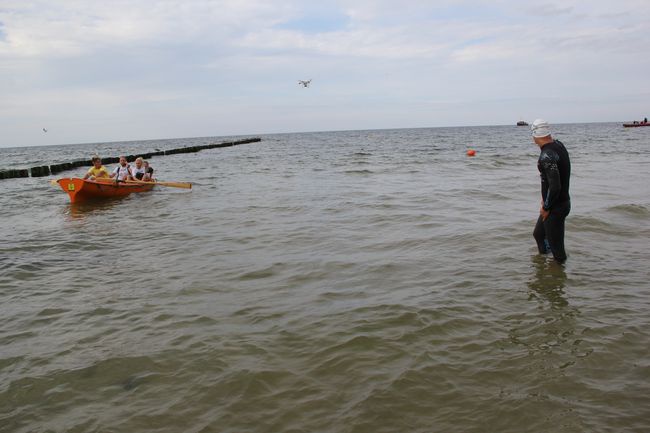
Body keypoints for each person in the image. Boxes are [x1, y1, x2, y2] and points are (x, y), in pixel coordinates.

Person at [531, 119, 571, 263]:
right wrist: (545, 199)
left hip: (556, 207)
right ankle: (545, 270)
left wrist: (547, 207)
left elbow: (555, 186)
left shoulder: (546, 155)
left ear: (534, 135)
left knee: (558, 252)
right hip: (558, 202)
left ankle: (558, 279)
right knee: (539, 235)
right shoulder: (558, 145)